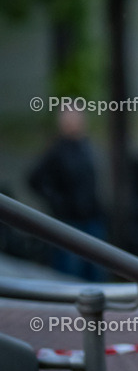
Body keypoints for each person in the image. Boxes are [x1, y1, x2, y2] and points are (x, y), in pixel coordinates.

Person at [28, 108, 107, 282]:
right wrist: (57, 202)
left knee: (95, 270)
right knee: (68, 272)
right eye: (69, 118)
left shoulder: (87, 146)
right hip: (69, 220)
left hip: (92, 218)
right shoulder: (57, 150)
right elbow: (34, 179)